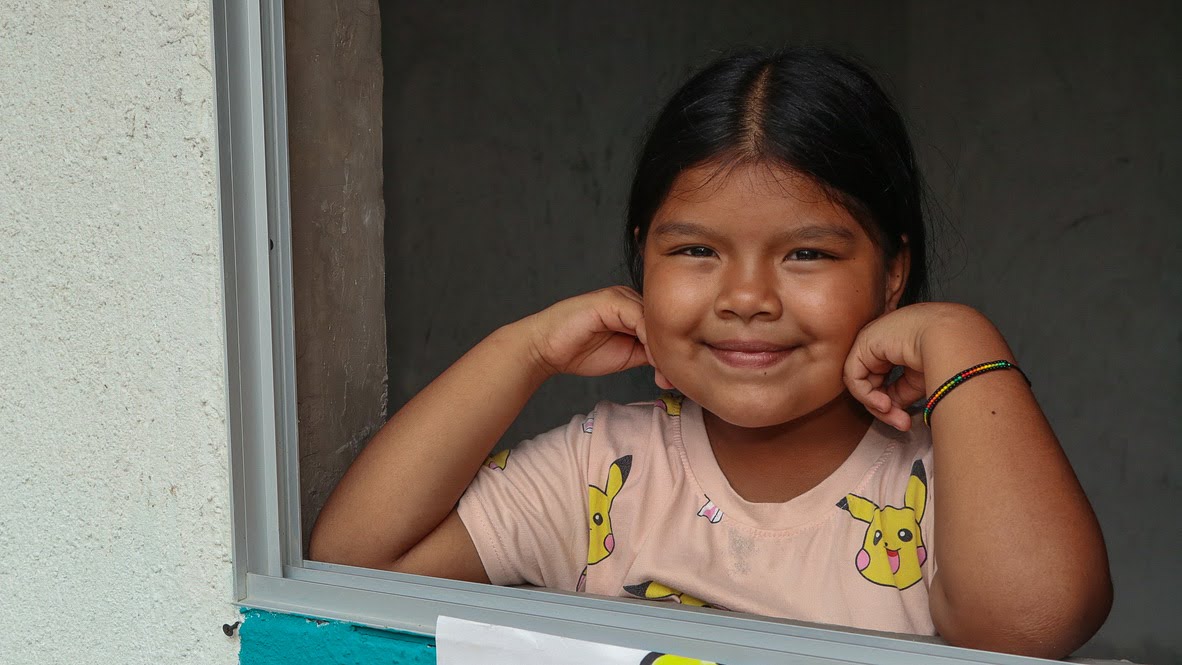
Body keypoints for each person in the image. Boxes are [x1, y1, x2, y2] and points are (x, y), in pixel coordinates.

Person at [310, 47, 1111, 658]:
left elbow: (1031, 627)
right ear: (642, 260)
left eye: (807, 254)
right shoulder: (603, 469)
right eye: (696, 250)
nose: (747, 297)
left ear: (893, 272)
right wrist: (524, 350)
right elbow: (354, 563)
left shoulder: (947, 488)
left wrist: (963, 338)